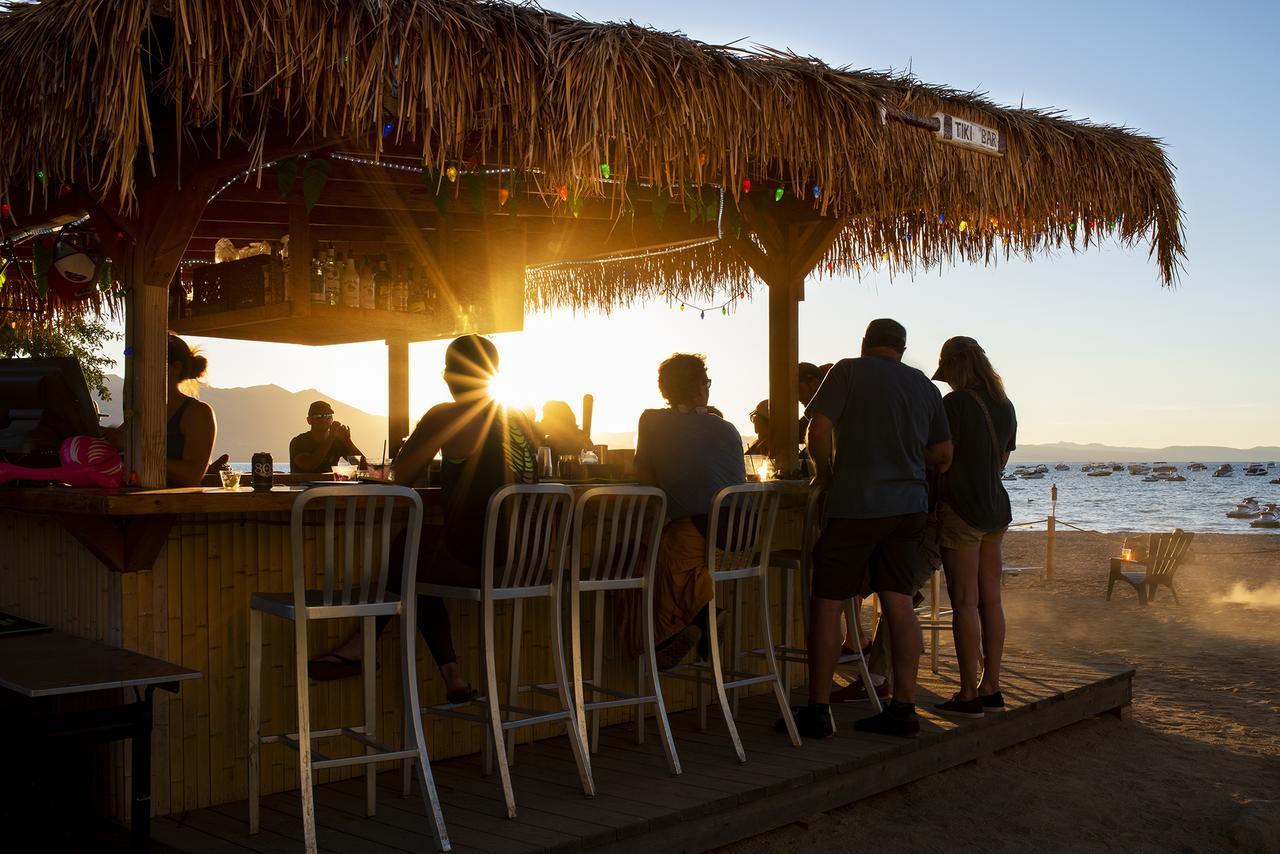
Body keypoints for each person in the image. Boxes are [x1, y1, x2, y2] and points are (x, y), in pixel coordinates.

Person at [309, 335, 537, 702]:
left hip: (480, 563)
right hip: (527, 562)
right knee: (416, 556)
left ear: (447, 375)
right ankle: (451, 675)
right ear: (494, 374)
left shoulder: (447, 414)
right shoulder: (519, 417)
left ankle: (363, 644)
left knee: (408, 549)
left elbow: (400, 478)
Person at [784, 318, 952, 739]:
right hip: (908, 507)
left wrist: (825, 473)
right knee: (898, 601)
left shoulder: (847, 371)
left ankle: (818, 711)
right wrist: (908, 456)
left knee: (826, 601)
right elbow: (943, 452)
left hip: (856, 502)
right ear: (901, 347)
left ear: (865, 344)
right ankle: (903, 707)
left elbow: (818, 428)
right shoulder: (924, 387)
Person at [618, 353, 745, 669]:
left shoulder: (652, 421)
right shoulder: (727, 427)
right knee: (658, 552)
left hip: (694, 537)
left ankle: (669, 637)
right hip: (740, 542)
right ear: (702, 387)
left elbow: (644, 476)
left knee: (636, 558)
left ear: (664, 390)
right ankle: (700, 617)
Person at [930, 336, 1017, 718]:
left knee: (964, 602)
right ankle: (991, 685)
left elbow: (943, 457)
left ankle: (968, 693)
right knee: (990, 600)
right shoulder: (1005, 405)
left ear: (954, 367)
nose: (946, 381)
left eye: (946, 373)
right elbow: (1001, 460)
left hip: (962, 510)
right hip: (995, 510)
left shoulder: (955, 404)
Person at [164, 333, 217, 487]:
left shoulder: (197, 413)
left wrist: (137, 452)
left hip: (176, 508)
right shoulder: (140, 411)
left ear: (176, 368)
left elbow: (192, 475)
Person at [288, 400, 364, 473]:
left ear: (332, 420)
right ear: (309, 420)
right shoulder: (299, 442)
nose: (324, 419)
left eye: (328, 416)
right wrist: (331, 436)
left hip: (329, 486)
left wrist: (348, 441)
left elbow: (364, 467)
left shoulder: (337, 442)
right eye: (318, 416)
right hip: (301, 486)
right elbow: (308, 465)